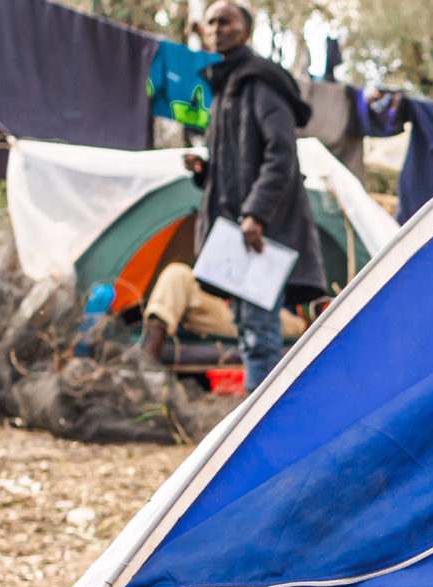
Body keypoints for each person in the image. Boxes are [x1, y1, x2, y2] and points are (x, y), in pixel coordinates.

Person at [185, 1, 326, 393]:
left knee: (261, 336)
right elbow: (237, 166)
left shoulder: (260, 83)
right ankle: (254, 421)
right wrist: (205, 172)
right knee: (249, 330)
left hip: (264, 232)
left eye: (225, 21)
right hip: (241, 232)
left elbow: (281, 153)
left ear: (245, 31)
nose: (216, 28)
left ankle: (258, 430)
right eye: (211, 21)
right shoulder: (226, 87)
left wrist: (256, 215)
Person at [137, 262, 305, 365]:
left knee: (295, 325)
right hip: (222, 302)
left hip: (269, 310)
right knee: (176, 273)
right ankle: (145, 365)